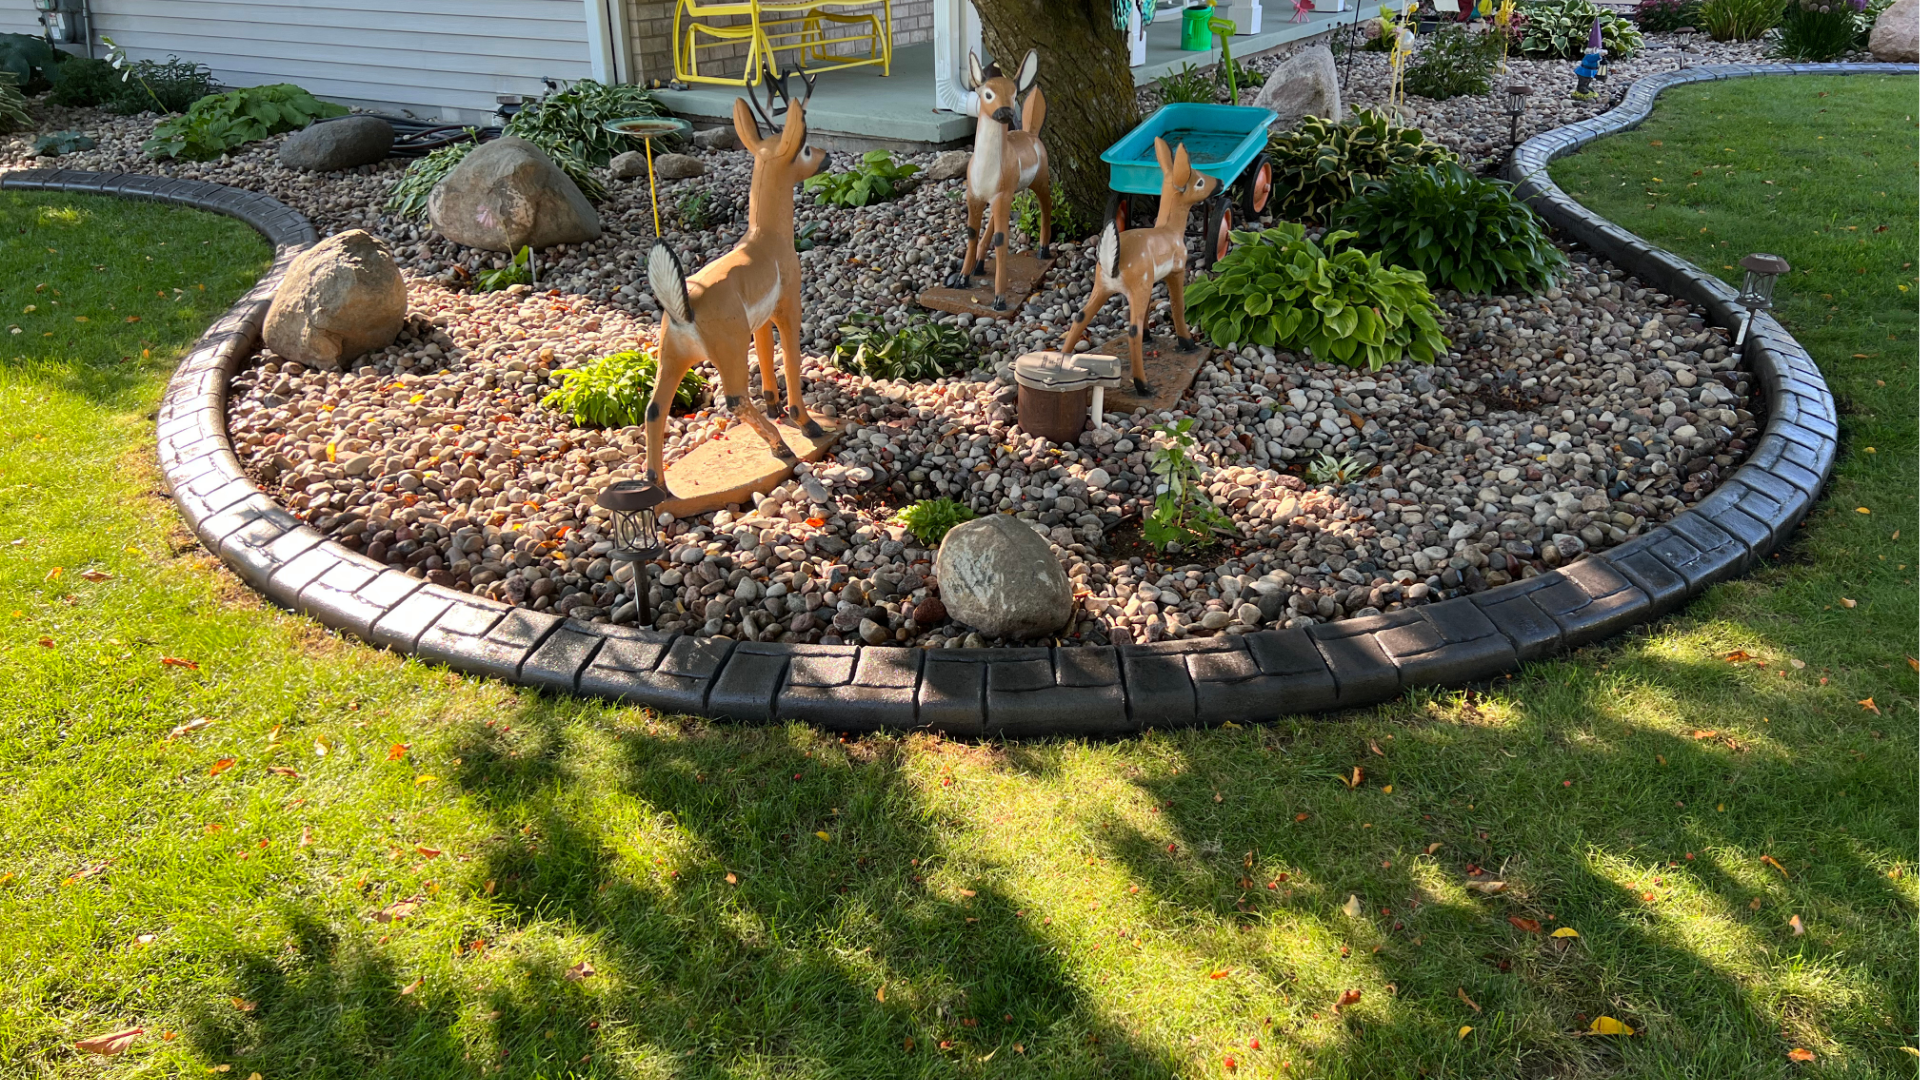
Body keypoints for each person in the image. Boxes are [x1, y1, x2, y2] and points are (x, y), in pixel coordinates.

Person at [1572, 18, 1608, 100]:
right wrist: (1599, 55)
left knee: (1588, 80)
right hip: (1584, 71)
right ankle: (1581, 88)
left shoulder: (1595, 54)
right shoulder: (1589, 55)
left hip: (1590, 71)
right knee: (1583, 80)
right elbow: (1592, 59)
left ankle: (1586, 87)